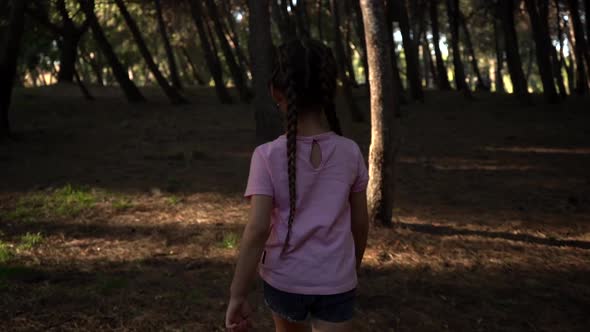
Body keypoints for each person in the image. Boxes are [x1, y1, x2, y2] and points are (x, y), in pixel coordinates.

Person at [225, 39, 369, 332]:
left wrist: (237, 294)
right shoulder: (350, 151)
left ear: (278, 92)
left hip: (285, 281)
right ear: (328, 92)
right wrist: (350, 268)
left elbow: (257, 229)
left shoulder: (266, 156)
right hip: (337, 282)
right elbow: (360, 222)